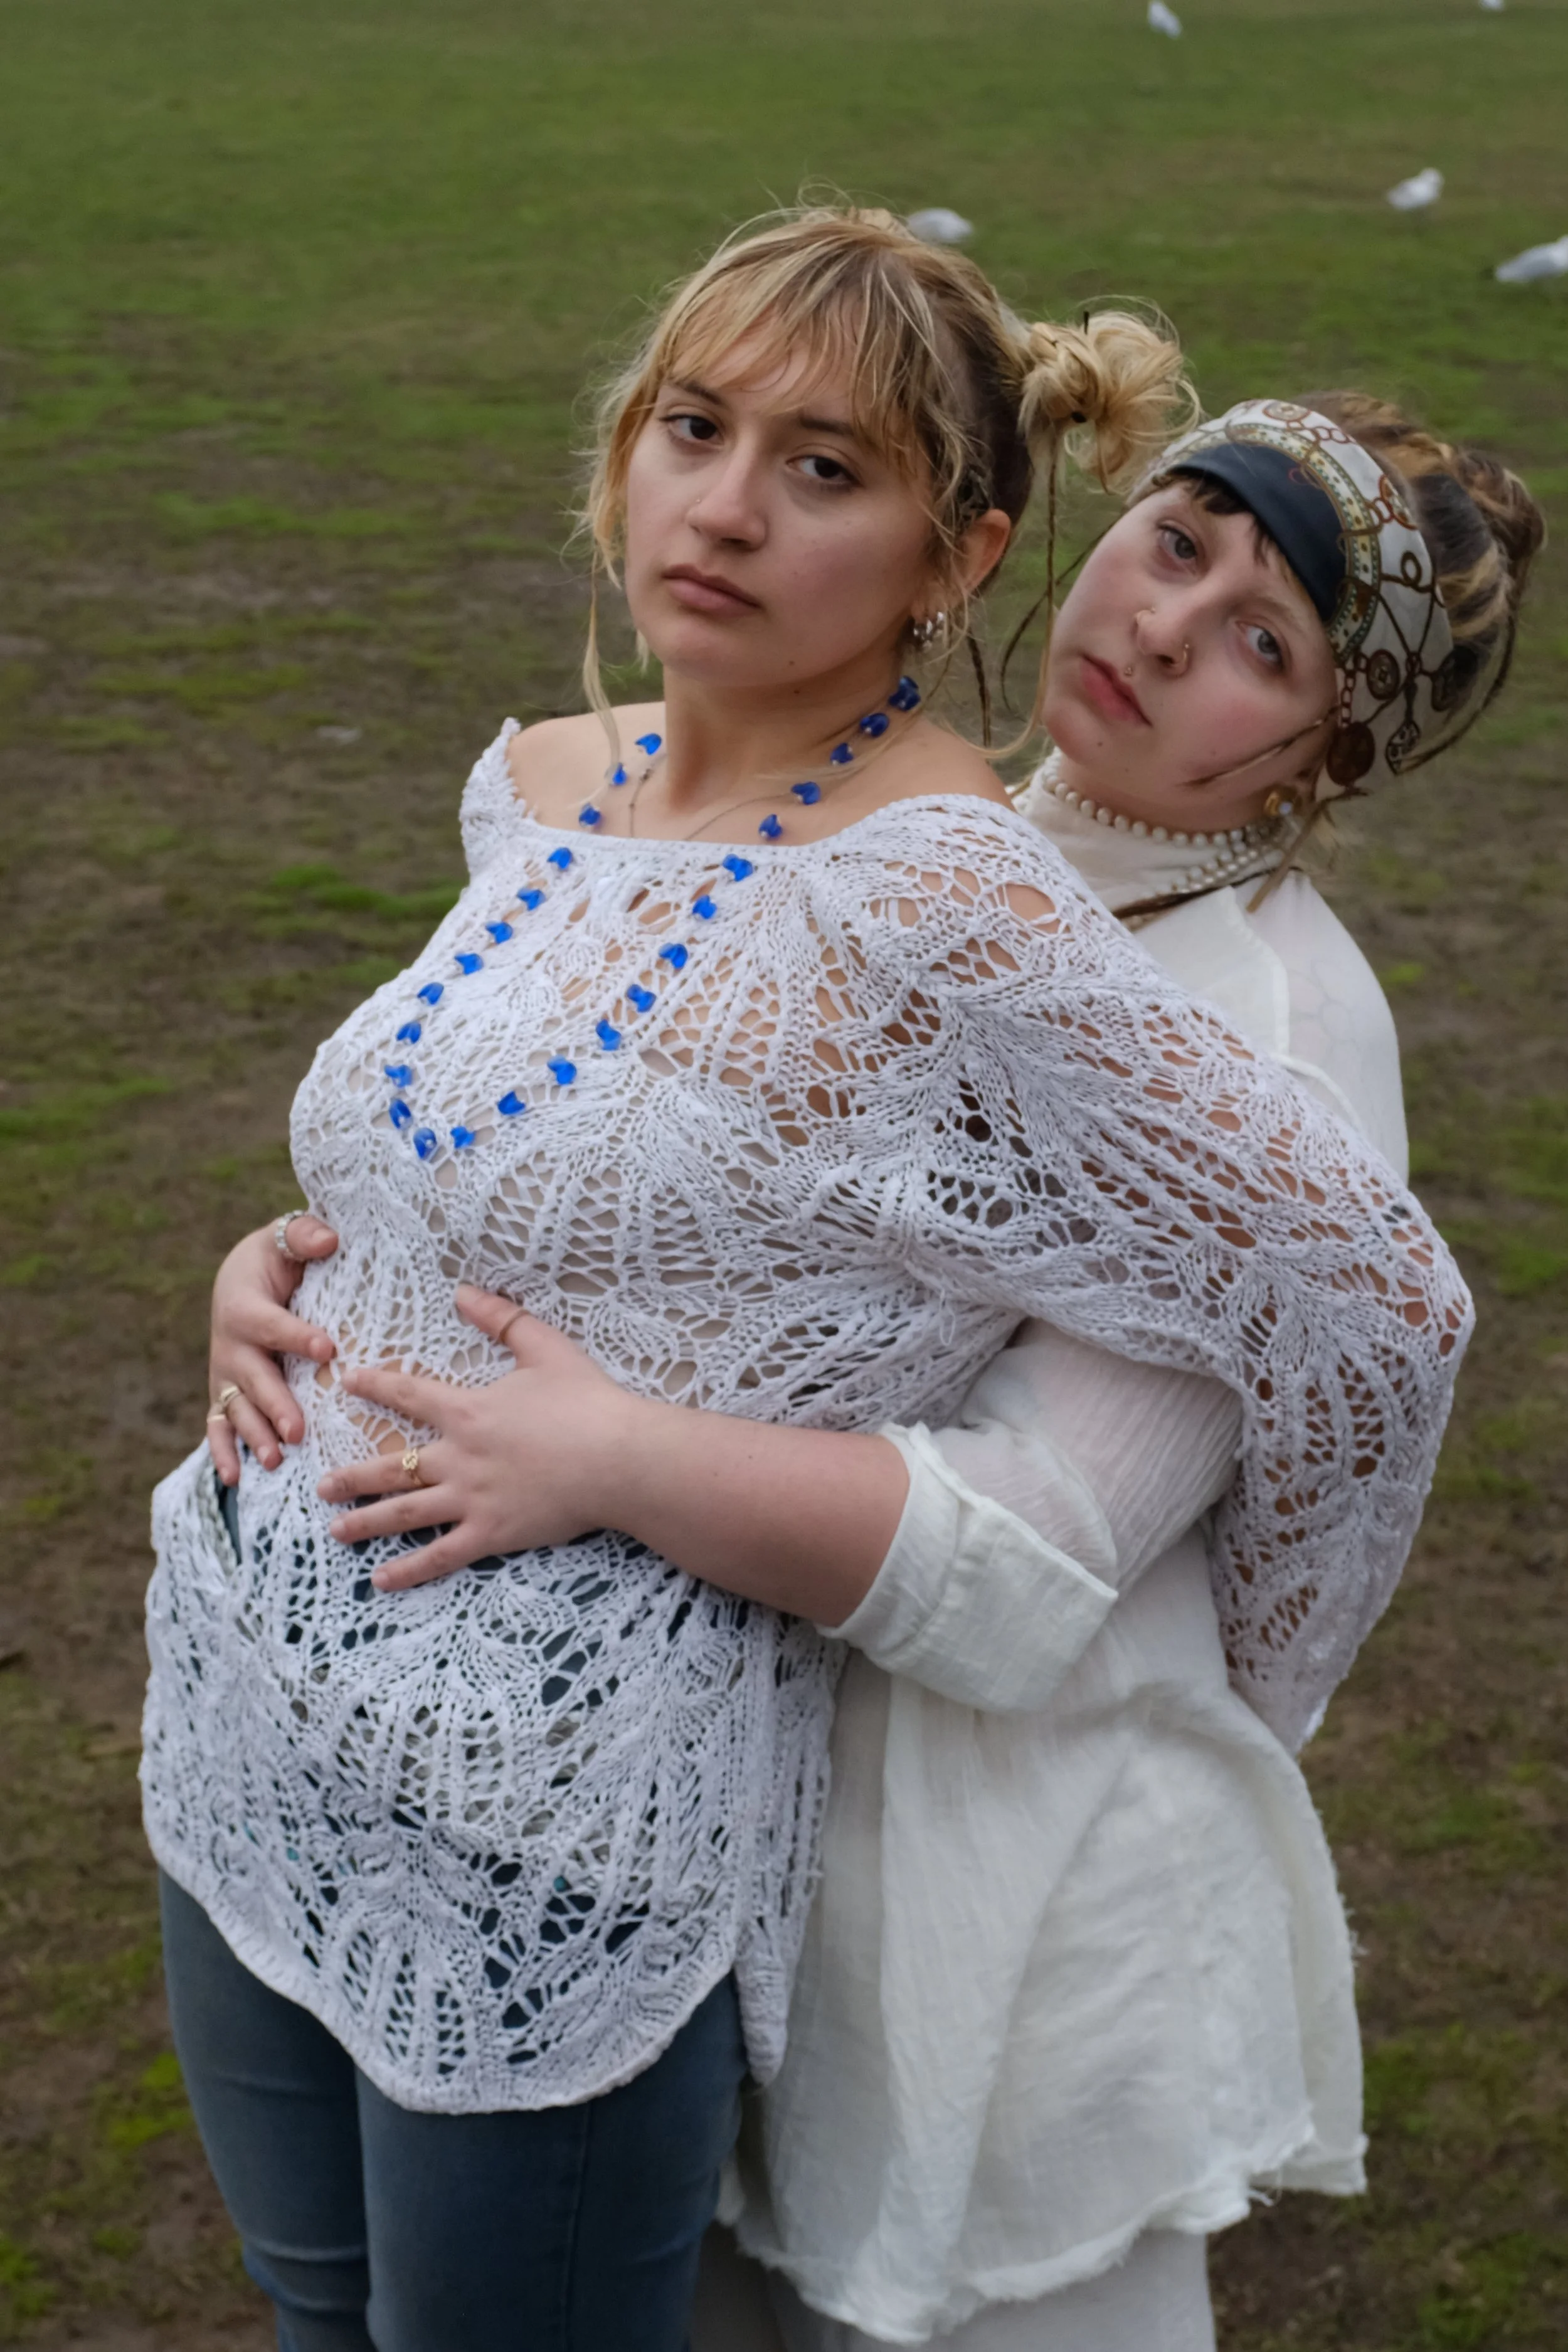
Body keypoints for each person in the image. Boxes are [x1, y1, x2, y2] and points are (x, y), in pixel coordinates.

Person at [166, 208, 1470, 2352]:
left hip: (765, 1808)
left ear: (955, 549)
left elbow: (1358, 1323)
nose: (1162, 630)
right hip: (287, 1702)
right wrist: (301, 1267)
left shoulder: (1047, 928)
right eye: (1175, 545)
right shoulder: (558, 787)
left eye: (1267, 639)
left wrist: (1256, 1690)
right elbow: (546, 1136)